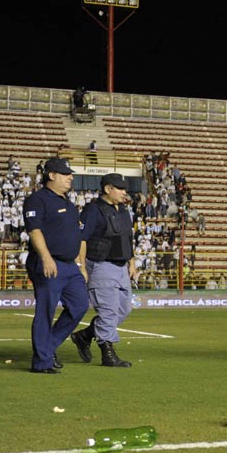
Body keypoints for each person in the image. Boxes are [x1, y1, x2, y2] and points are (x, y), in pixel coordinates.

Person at [22, 157, 89, 374]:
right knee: (45, 311)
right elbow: (34, 230)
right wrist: (46, 257)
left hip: (70, 266)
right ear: (51, 175)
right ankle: (41, 363)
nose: (71, 177)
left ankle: (47, 348)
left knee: (80, 306)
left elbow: (77, 236)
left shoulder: (69, 204)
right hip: (49, 263)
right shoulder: (37, 200)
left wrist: (80, 264)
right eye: (65, 173)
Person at [71, 172, 138, 368]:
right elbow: (82, 239)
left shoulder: (123, 210)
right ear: (108, 189)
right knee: (108, 311)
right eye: (120, 188)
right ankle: (107, 353)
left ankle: (85, 336)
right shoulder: (93, 210)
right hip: (101, 265)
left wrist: (132, 263)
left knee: (123, 309)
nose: (124, 192)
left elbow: (127, 238)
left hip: (121, 266)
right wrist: (82, 267)